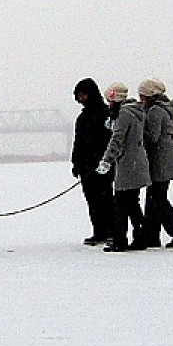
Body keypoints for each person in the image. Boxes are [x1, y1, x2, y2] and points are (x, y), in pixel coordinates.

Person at [96, 82, 151, 252]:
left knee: (120, 204)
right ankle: (141, 237)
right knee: (132, 204)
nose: (108, 105)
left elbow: (117, 139)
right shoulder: (136, 111)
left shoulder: (125, 114)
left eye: (109, 101)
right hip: (138, 163)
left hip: (128, 165)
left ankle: (120, 241)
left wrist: (106, 161)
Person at [137, 79, 173, 249]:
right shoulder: (164, 109)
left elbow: (152, 136)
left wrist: (137, 132)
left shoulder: (155, 111)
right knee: (154, 198)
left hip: (160, 160)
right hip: (165, 159)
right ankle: (151, 236)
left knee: (157, 199)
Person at [71, 78, 114, 245]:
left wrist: (102, 161)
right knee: (92, 201)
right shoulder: (82, 118)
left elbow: (109, 140)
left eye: (82, 95)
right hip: (85, 167)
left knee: (105, 199)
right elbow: (78, 142)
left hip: (101, 165)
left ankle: (111, 231)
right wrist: (76, 163)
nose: (80, 99)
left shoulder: (105, 114)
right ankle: (99, 231)